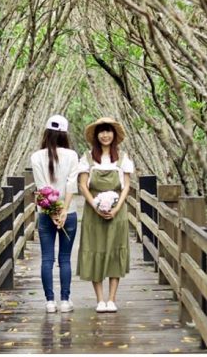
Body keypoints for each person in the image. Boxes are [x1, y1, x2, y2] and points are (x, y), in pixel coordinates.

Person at [76, 117, 134, 313]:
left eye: (108, 131)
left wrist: (116, 208)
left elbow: (126, 186)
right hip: (94, 213)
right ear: (96, 136)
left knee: (114, 250)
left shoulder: (123, 158)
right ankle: (100, 299)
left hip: (118, 212)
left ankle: (112, 299)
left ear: (114, 134)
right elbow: (83, 185)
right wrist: (96, 205)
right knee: (96, 250)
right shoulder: (87, 158)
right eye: (101, 131)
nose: (105, 135)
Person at [31, 114, 79, 313]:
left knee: (47, 258)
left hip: (45, 214)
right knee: (65, 258)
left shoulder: (36, 157)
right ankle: (65, 301)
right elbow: (71, 185)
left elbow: (42, 188)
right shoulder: (72, 155)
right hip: (69, 214)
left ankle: (50, 302)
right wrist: (64, 211)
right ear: (64, 134)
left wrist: (52, 213)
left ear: (46, 133)